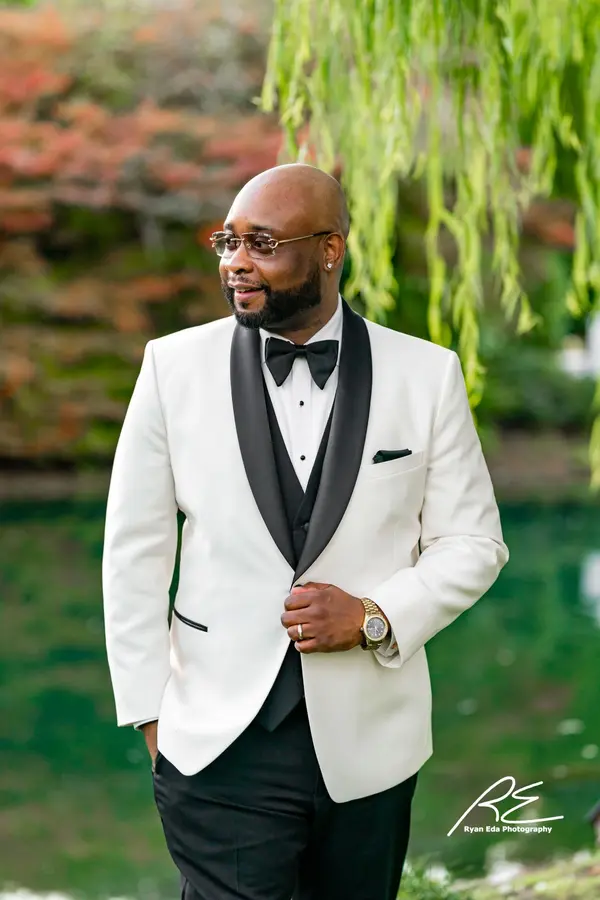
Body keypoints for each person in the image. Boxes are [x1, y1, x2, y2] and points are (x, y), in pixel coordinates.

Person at [102, 163, 509, 900]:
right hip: (216, 744)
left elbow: (473, 542)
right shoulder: (171, 367)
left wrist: (375, 615)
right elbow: (134, 551)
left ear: (329, 249)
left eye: (261, 243)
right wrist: (151, 718)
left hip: (369, 745)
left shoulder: (426, 375)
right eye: (228, 241)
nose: (235, 262)